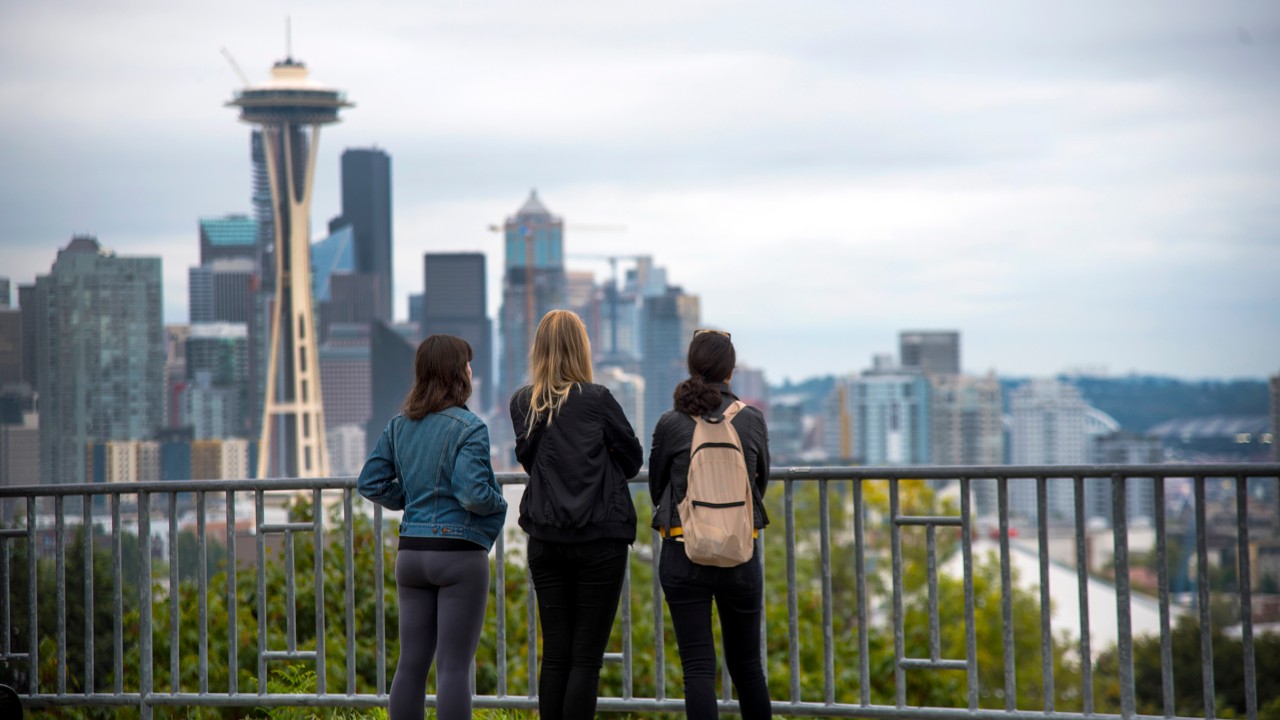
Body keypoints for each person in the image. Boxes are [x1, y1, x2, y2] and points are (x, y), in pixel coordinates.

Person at [358, 335, 508, 720]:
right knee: (454, 668)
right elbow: (473, 493)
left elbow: (370, 483)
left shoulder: (398, 426)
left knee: (410, 664)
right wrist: (499, 501)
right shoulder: (470, 427)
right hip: (458, 557)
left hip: (411, 555)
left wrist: (409, 499)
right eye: (468, 364)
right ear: (458, 373)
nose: (472, 371)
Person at [509, 309, 644, 720]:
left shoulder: (523, 403)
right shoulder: (598, 399)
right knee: (586, 660)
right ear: (581, 348)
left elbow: (534, 463)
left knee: (555, 657)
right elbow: (634, 458)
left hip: (547, 541)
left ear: (539, 350)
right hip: (600, 539)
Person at [648, 328, 773, 720]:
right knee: (749, 669)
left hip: (685, 552)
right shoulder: (751, 420)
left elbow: (656, 487)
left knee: (698, 668)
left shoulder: (671, 423)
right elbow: (760, 484)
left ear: (691, 367)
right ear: (731, 372)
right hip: (740, 554)